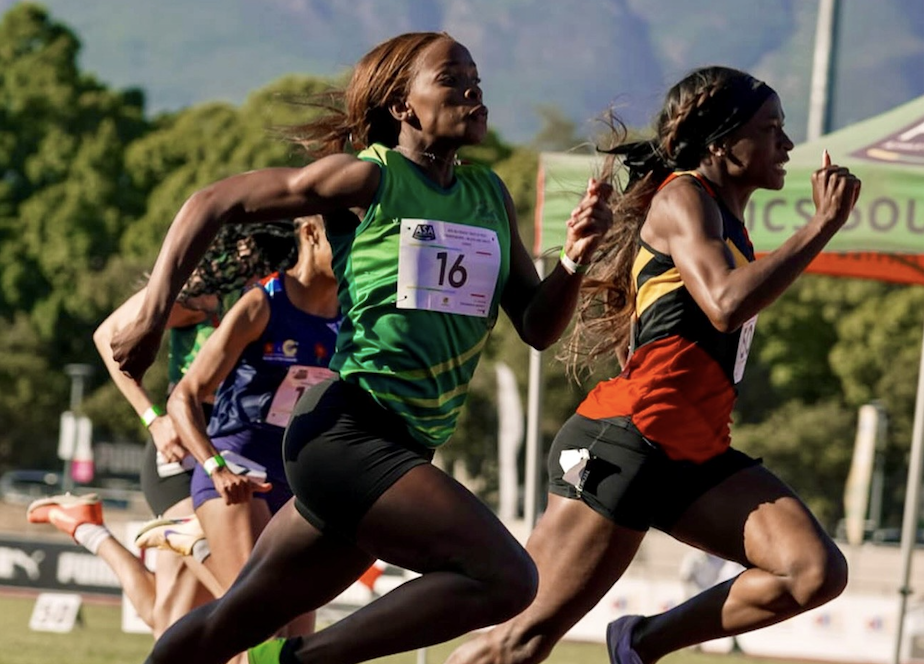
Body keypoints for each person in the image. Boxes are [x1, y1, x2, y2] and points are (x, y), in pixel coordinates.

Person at [110, 31, 613, 664]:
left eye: (477, 76)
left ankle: (279, 659)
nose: (473, 89)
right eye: (452, 78)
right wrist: (155, 312)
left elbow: (537, 327)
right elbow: (213, 201)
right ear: (404, 105)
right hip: (346, 434)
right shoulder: (370, 177)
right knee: (507, 578)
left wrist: (574, 257)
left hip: (402, 445)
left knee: (234, 620)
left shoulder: (489, 196)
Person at [443, 66, 861, 664]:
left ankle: (639, 643)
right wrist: (821, 225)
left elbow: (664, 327)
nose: (787, 145)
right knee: (517, 642)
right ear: (721, 141)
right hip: (629, 444)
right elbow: (724, 303)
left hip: (695, 451)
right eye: (771, 129)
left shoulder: (723, 220)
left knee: (813, 571)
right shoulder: (684, 196)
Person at [28, 222, 299, 637]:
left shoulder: (286, 298)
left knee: (168, 618)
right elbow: (108, 336)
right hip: (185, 446)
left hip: (246, 446)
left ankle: (89, 528)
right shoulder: (205, 294)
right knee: (237, 608)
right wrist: (152, 419)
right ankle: (186, 536)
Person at [167, 216, 339, 622]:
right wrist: (215, 467)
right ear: (311, 233)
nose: (359, 253)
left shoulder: (355, 315)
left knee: (295, 640)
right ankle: (202, 540)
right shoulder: (263, 303)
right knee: (259, 622)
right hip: (239, 471)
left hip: (299, 483)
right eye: (346, 239)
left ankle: (197, 543)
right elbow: (184, 396)